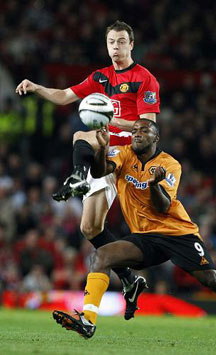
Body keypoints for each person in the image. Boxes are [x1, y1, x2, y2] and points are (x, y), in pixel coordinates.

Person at [53, 119, 216, 348]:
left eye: (143, 131)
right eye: (134, 130)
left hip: (178, 234)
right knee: (101, 256)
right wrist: (103, 147)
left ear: (156, 137)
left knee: (215, 282)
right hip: (145, 237)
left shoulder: (170, 164)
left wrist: (155, 184)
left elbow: (163, 206)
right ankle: (88, 321)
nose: (136, 133)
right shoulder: (124, 154)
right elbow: (99, 171)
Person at [15, 20, 160, 319]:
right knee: (89, 228)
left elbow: (150, 127)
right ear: (106, 45)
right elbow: (66, 95)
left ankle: (79, 176)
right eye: (111, 42)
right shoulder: (101, 77)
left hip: (129, 156)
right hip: (105, 152)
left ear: (131, 44)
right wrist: (37, 87)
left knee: (81, 135)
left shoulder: (145, 79)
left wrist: (115, 120)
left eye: (121, 42)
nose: (116, 47)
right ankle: (130, 281)